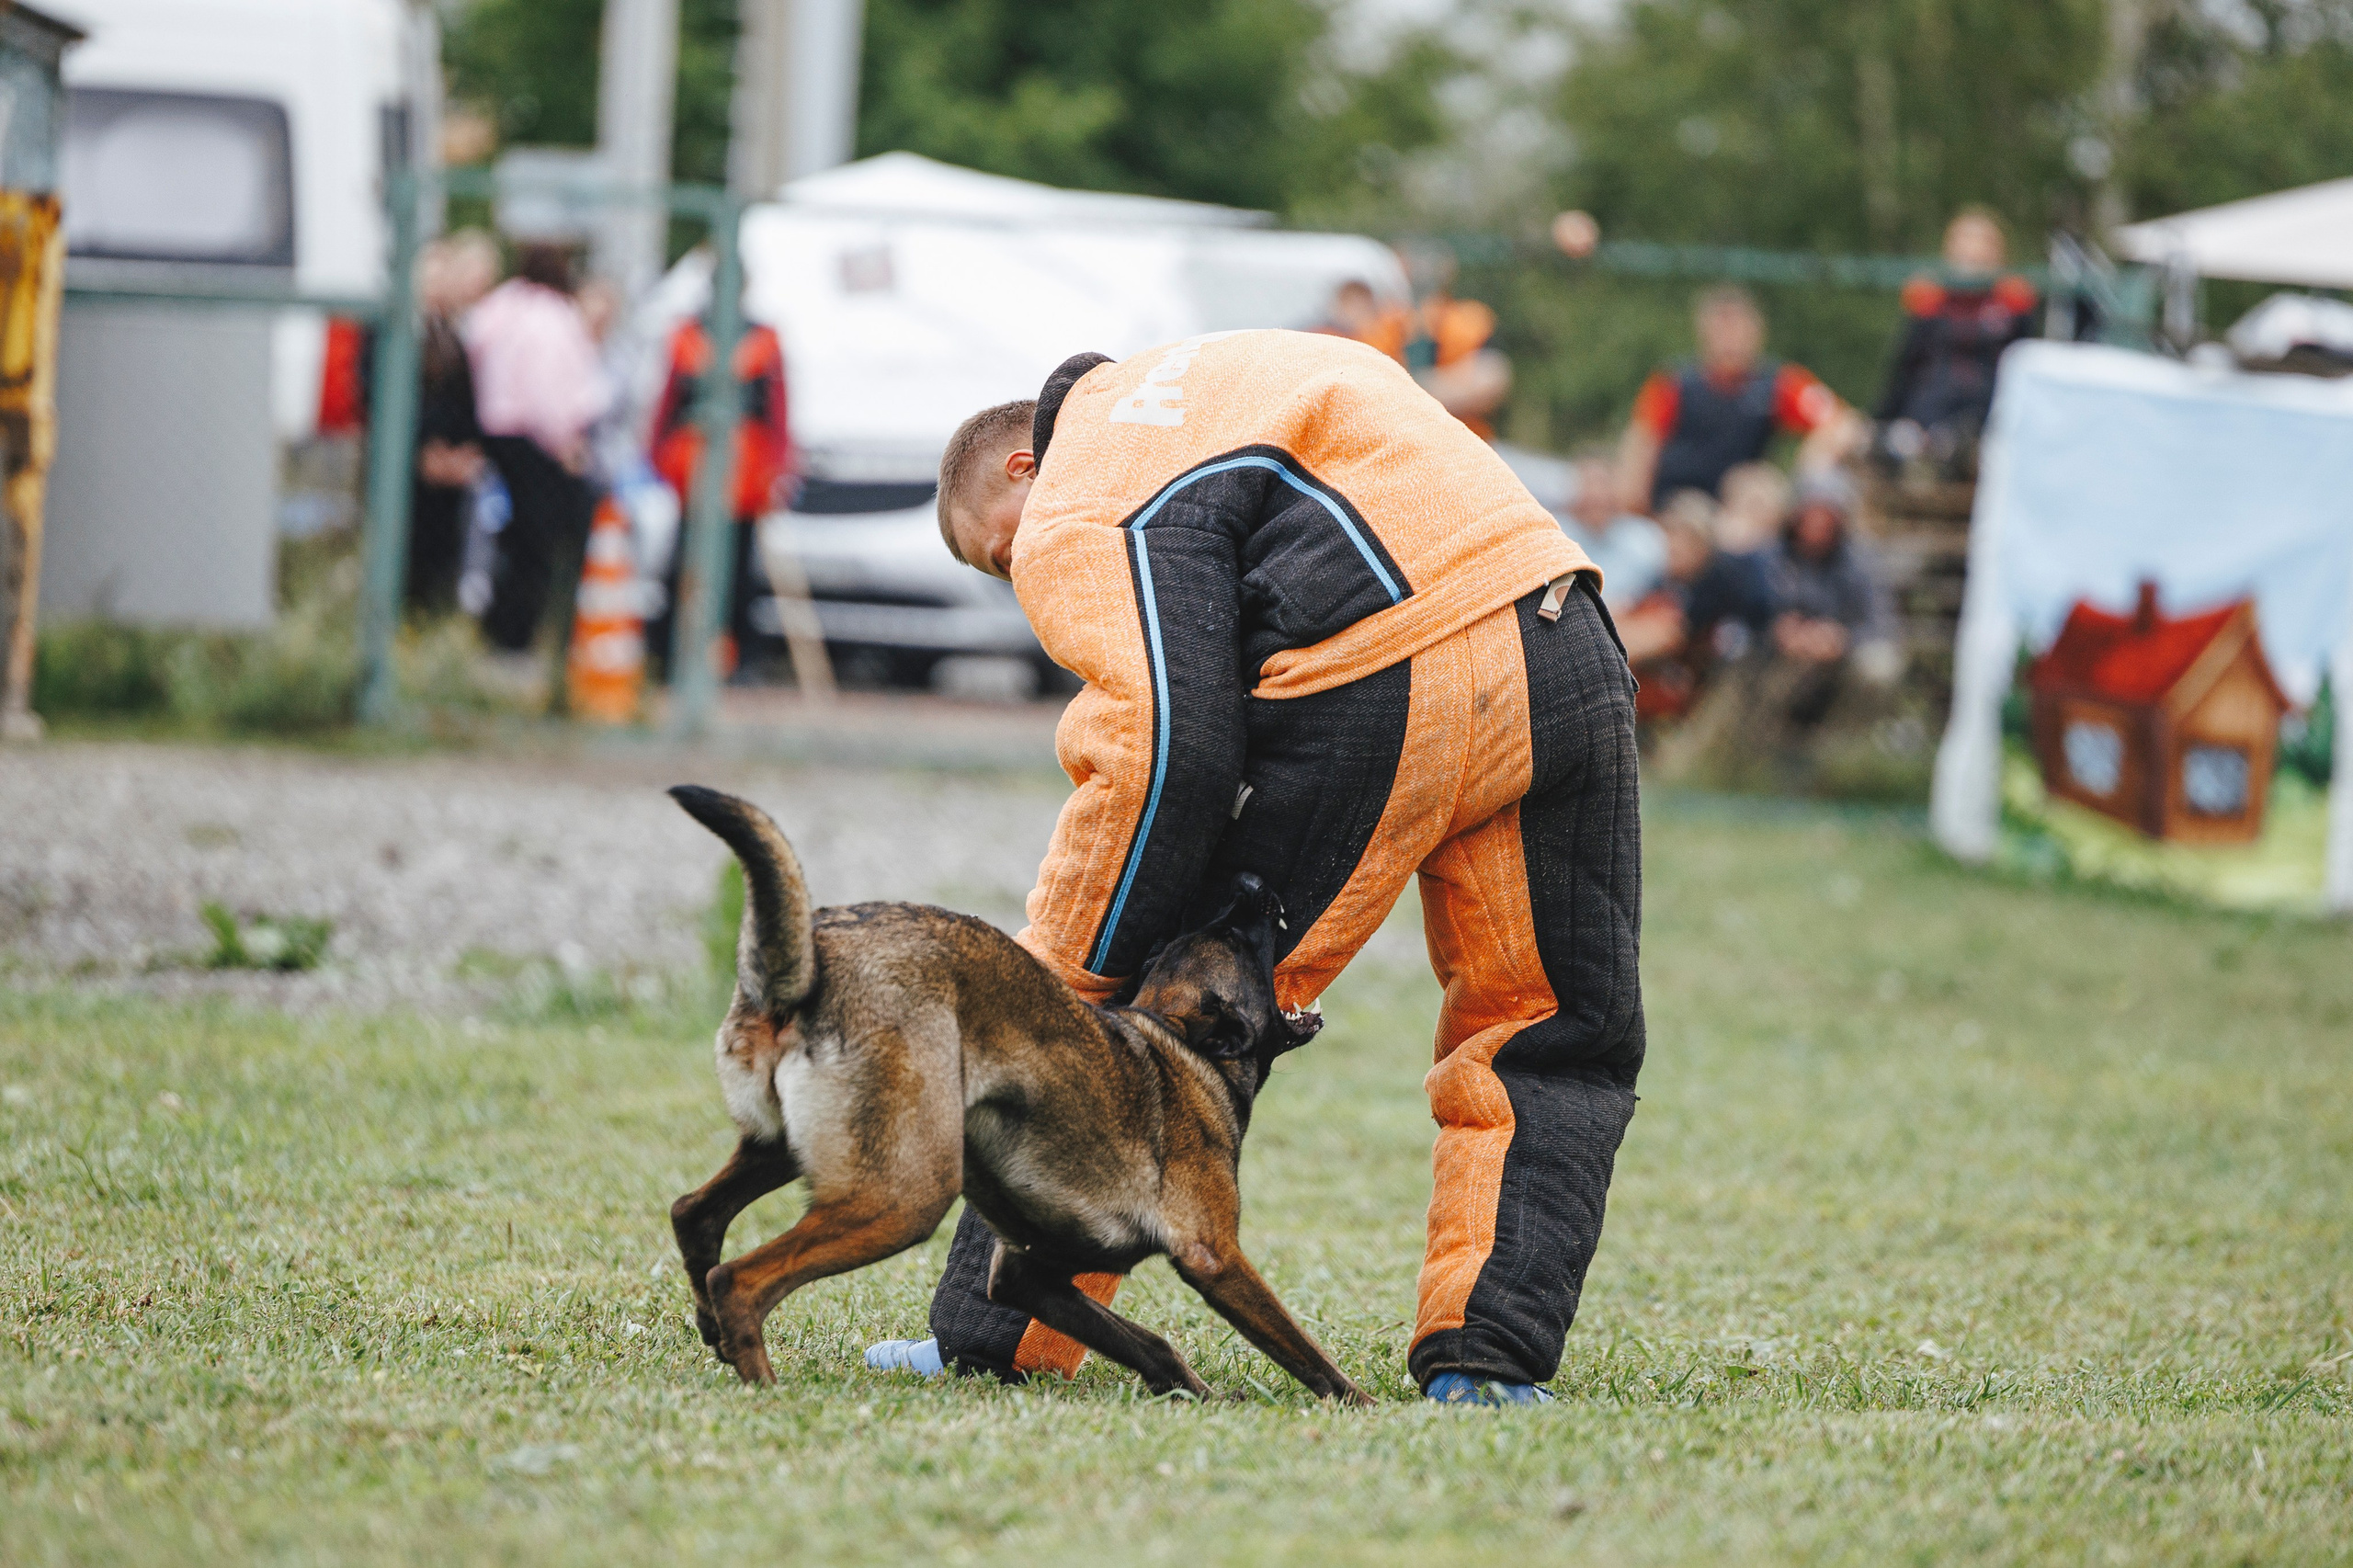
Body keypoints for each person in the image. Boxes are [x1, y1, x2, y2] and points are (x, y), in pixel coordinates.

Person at [868, 329, 1643, 1406]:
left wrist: (1050, 978)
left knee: (1152, 1018)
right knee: (1553, 1028)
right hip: (1564, 635)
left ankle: (999, 1336)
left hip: (1388, 667)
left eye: (996, 553)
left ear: (1019, 469)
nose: (1017, 576)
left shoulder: (1081, 485)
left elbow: (1158, 746)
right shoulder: (1224, 371)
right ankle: (1490, 1357)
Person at [463, 243, 612, 653]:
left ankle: (500, 628)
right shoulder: (551, 317)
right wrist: (565, 442)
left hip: (498, 434)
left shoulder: (502, 309)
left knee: (514, 539)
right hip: (538, 439)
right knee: (543, 544)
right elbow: (548, 389)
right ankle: (527, 634)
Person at [644, 300, 795, 679]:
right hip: (694, 469)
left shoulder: (762, 342)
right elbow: (669, 403)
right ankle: (672, 652)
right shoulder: (688, 338)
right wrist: (658, 453)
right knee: (685, 565)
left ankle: (737, 654)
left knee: (740, 569)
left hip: (745, 473)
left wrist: (780, 467)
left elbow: (776, 411)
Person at [1618, 286, 1854, 510]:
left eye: (1737, 327)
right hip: (1678, 505)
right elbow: (1640, 449)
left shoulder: (1778, 384)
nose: (1729, 339)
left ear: (1757, 332)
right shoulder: (1673, 385)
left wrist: (1810, 465)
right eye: (1721, 328)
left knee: (1760, 487)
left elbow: (1841, 422)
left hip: (1738, 507)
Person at [1875, 210, 2038, 477]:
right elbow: (1905, 366)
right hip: (1928, 411)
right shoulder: (1931, 302)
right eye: (1964, 246)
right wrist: (1881, 419)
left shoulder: (2012, 305)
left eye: (1982, 247)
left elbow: (2023, 371)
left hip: (1988, 416)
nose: (1972, 256)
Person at [404, 231, 499, 614]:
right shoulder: (398, 332)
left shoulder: (450, 337)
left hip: (447, 473)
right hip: (410, 469)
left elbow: (465, 402)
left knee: (441, 559)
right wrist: (423, 450)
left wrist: (463, 451)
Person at [1766, 471, 1900, 721]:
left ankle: (1849, 739)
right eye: (1811, 513)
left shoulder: (1862, 561)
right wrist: (1780, 630)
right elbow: (1747, 612)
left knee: (1880, 666)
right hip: (1776, 655)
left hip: (1842, 656)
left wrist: (1840, 638)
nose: (1818, 524)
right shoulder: (1771, 556)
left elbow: (1883, 626)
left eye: (1826, 515)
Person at [1563, 456, 1666, 611]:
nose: (1596, 494)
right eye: (1588, 485)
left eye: (1602, 484)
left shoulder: (1647, 541)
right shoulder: (1555, 534)